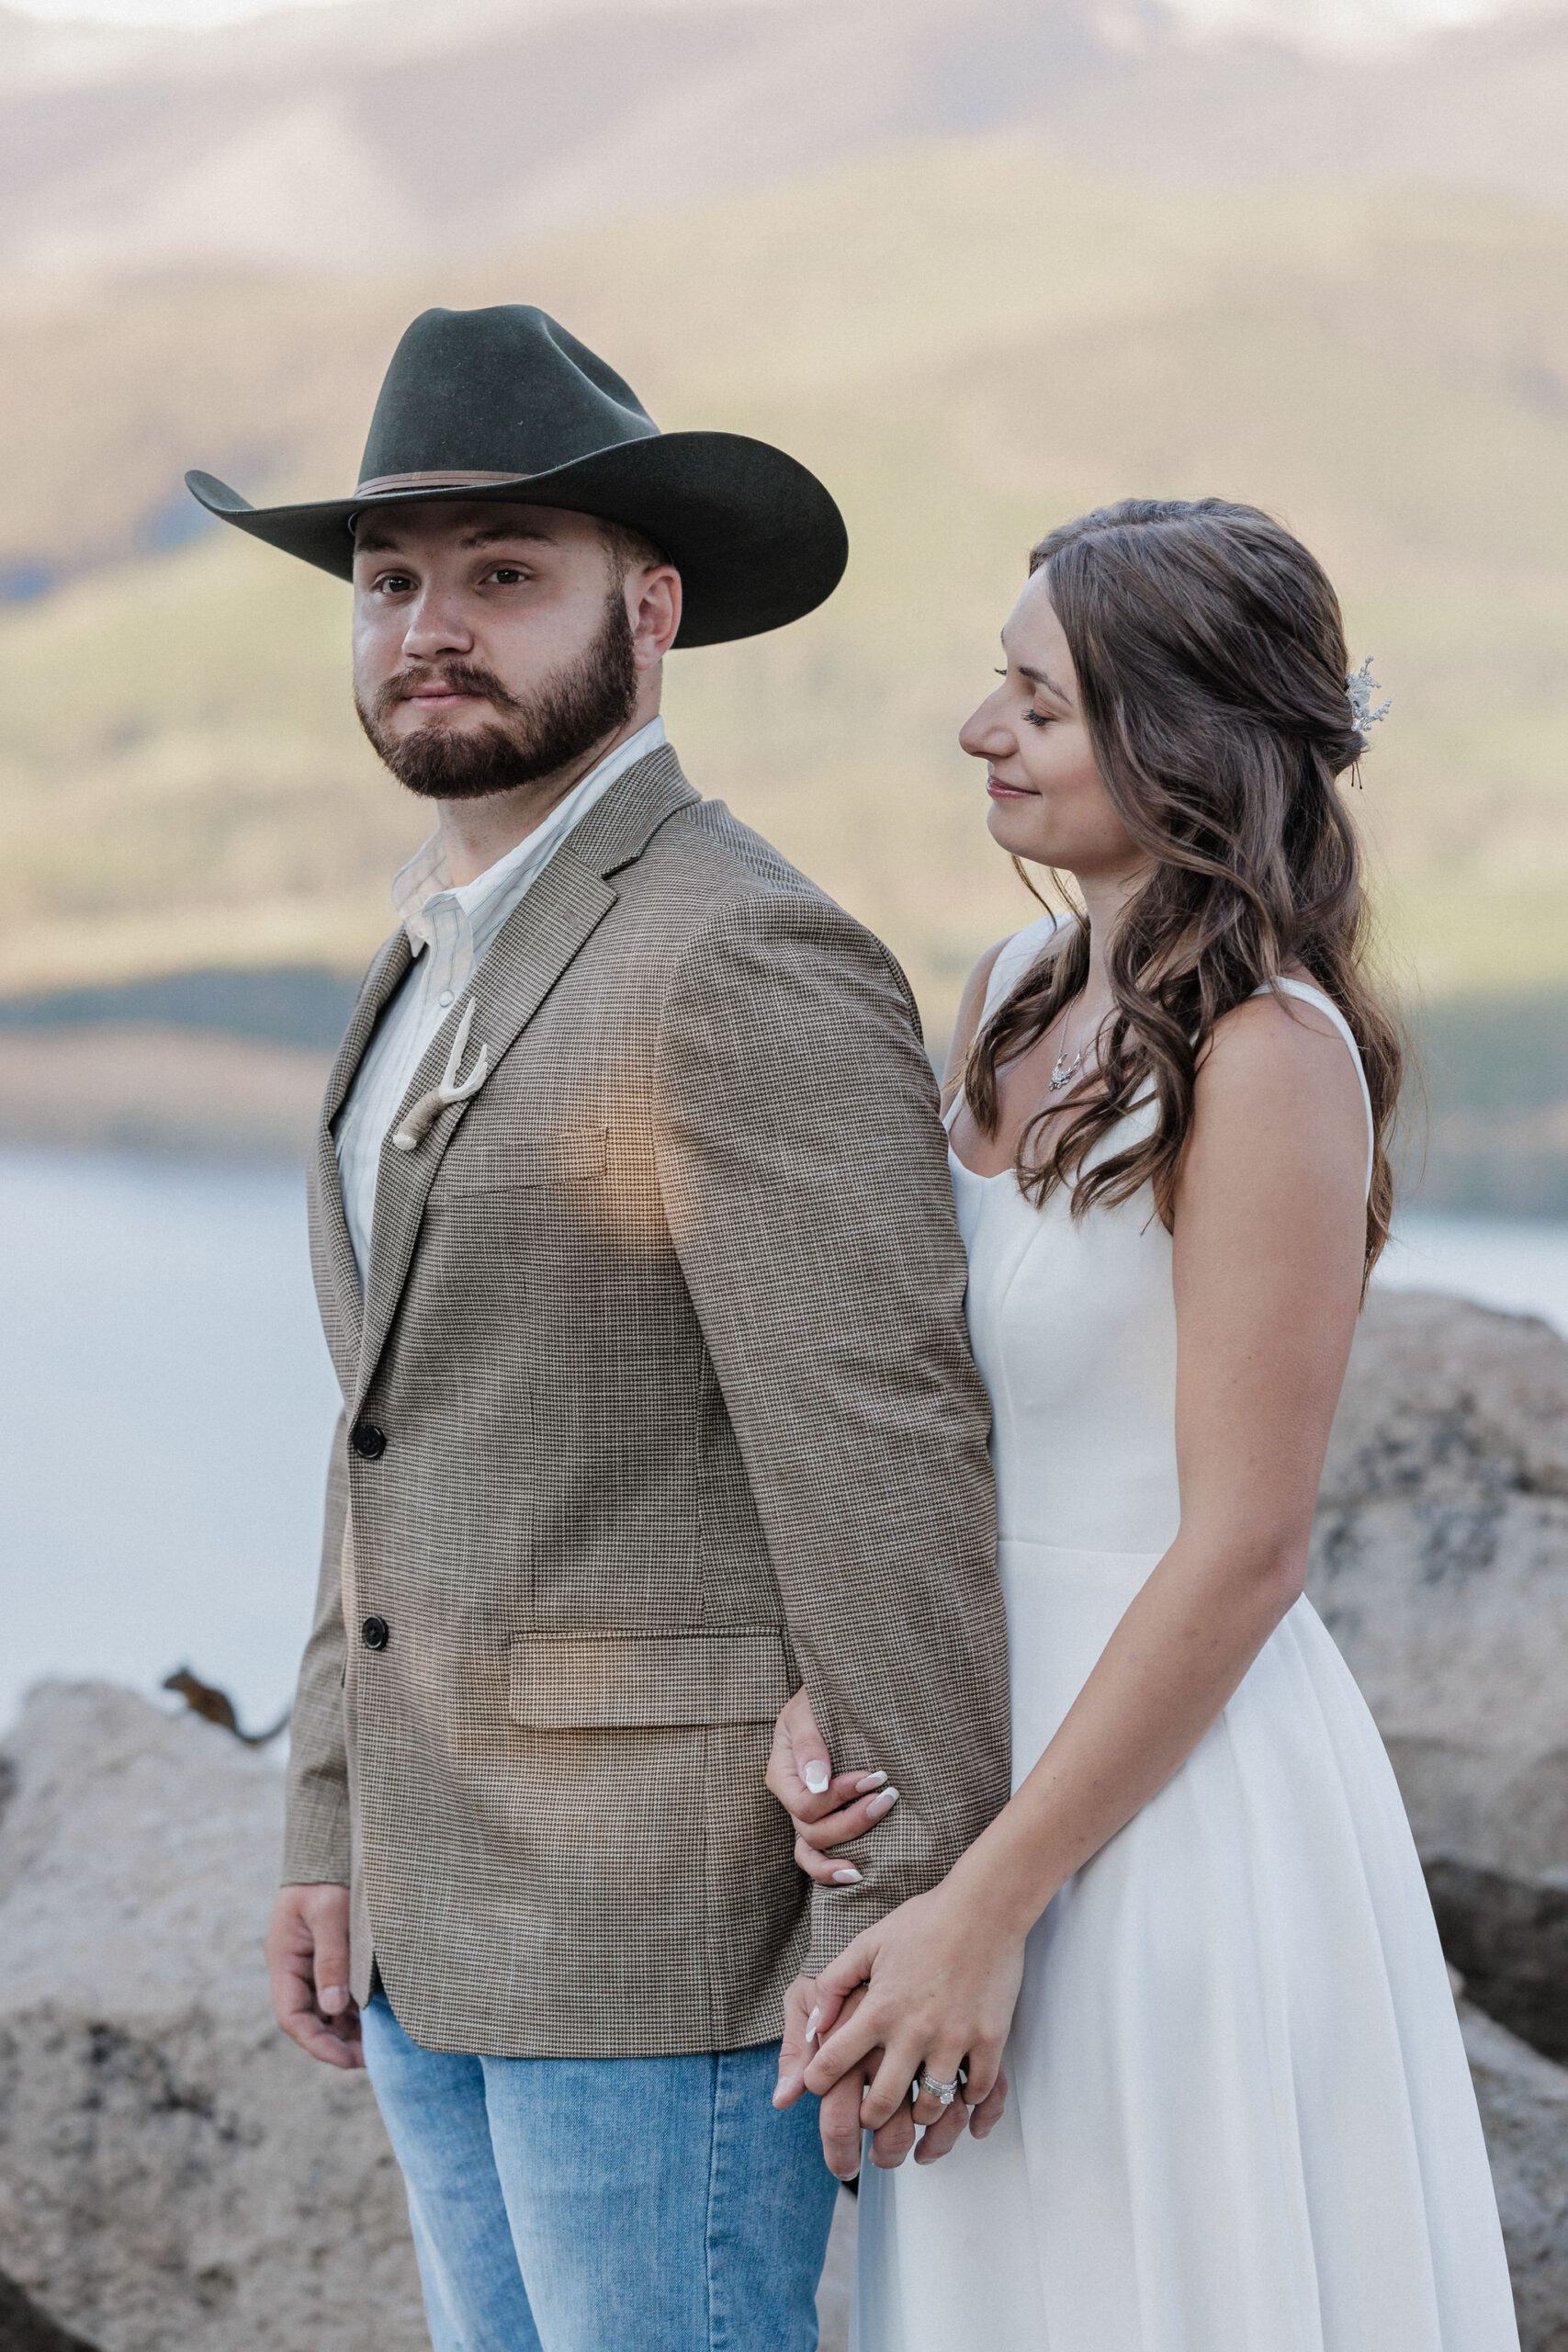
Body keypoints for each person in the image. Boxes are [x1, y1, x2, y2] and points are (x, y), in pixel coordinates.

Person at [188, 303, 1013, 2352]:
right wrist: (324, 1814)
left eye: (501, 573)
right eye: (390, 582)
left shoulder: (737, 947)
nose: (428, 626)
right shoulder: (433, 940)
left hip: (670, 1938)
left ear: (646, 611)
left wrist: (910, 1913)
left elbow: (880, 1452)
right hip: (430, 1912)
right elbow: (387, 1430)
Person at [771, 500, 1520, 2349]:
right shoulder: (1011, 993)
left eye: (1036, 699)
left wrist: (987, 1903)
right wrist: (833, 1696)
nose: (979, 731)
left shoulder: (1269, 1058)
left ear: (1177, 740)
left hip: (1161, 1813)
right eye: (993, 686)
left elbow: (1246, 1540)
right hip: (971, 1746)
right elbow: (928, 1418)